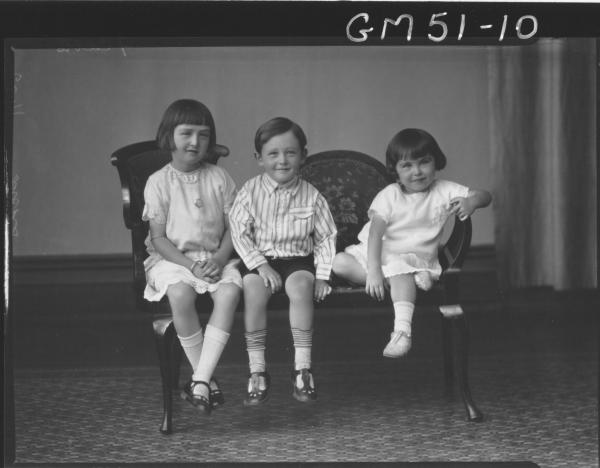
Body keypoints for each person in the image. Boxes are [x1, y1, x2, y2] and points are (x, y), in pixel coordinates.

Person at [332, 128, 491, 358]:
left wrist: (472, 201)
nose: (417, 172)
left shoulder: (443, 190)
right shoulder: (390, 195)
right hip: (374, 254)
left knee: (400, 269)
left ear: (436, 162)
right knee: (339, 262)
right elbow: (375, 234)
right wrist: (375, 271)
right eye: (407, 166)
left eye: (424, 162)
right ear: (395, 171)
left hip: (413, 256)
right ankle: (409, 280)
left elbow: (486, 195)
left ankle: (402, 332)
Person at [142, 99, 242, 413]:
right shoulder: (159, 182)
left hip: (215, 257)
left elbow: (234, 229)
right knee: (180, 293)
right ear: (169, 136)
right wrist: (191, 266)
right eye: (186, 133)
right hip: (174, 260)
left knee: (229, 292)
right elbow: (158, 238)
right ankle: (205, 380)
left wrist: (221, 258)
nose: (195, 142)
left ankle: (199, 380)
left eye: (203, 135)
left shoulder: (220, 178)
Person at [228, 117, 337, 405]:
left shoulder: (312, 196)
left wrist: (323, 275)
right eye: (273, 154)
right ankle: (257, 371)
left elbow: (326, 237)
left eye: (291, 152)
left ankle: (302, 368)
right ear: (259, 159)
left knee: (302, 287)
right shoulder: (249, 192)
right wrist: (260, 265)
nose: (282, 160)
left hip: (297, 260)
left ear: (303, 155)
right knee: (253, 290)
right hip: (260, 260)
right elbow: (239, 233)